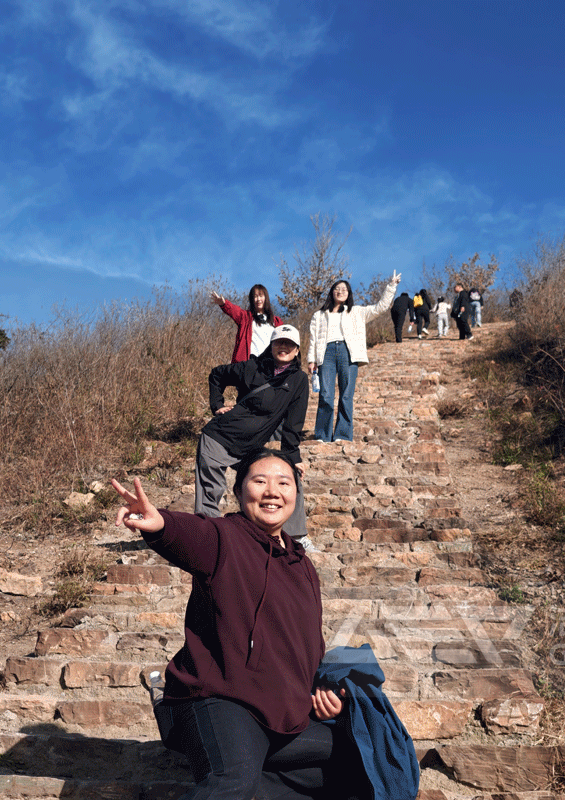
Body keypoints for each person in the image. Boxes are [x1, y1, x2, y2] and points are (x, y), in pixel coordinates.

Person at [111, 450, 364, 800]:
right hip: (222, 699)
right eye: (259, 481)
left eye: (284, 482)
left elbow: (309, 645)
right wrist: (160, 524)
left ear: (296, 494)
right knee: (232, 780)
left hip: (283, 712)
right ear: (239, 492)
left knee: (363, 753)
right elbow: (191, 534)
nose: (272, 491)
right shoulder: (225, 537)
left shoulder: (303, 567)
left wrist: (323, 691)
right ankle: (215, 752)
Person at [196, 324, 317, 551]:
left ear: (297, 349)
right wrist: (217, 405)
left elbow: (294, 422)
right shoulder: (252, 367)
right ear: (271, 345)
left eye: (289, 344)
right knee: (210, 489)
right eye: (279, 342)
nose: (284, 347)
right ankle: (208, 539)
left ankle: (296, 537)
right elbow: (216, 375)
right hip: (219, 438)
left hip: (251, 447)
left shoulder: (299, 380)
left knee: (288, 477)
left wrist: (293, 455)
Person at [307, 273, 401, 443]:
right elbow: (313, 339)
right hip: (325, 353)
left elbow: (380, 307)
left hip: (348, 352)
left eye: (344, 289)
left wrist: (391, 286)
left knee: (346, 395)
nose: (340, 291)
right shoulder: (318, 315)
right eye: (337, 288)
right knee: (326, 395)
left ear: (349, 293)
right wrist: (311, 359)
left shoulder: (357, 311)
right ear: (332, 292)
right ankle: (322, 436)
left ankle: (342, 435)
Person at [210, 285, 283, 363]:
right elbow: (234, 311)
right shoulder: (246, 317)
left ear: (266, 298)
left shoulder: (276, 321)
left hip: (270, 362)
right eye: (255, 296)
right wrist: (224, 304)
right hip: (251, 361)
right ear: (252, 300)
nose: (258, 299)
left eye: (261, 296)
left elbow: (283, 338)